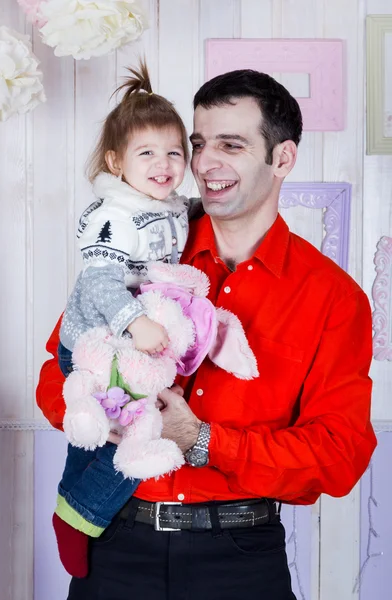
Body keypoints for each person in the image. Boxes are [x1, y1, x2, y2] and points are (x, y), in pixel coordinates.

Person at [37, 68, 377, 600]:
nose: (206, 164)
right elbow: (53, 378)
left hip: (239, 559)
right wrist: (106, 414)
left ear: (282, 158)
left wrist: (201, 441)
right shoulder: (141, 244)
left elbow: (337, 456)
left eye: (232, 144)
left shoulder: (332, 297)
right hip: (115, 545)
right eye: (198, 144)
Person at [52, 62, 192, 578]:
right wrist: (136, 322)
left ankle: (73, 502)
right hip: (95, 338)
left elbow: (182, 217)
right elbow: (99, 281)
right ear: (116, 161)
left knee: (97, 441)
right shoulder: (114, 212)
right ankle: (80, 514)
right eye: (147, 153)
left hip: (123, 338)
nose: (164, 164)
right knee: (133, 430)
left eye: (175, 152)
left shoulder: (169, 203)